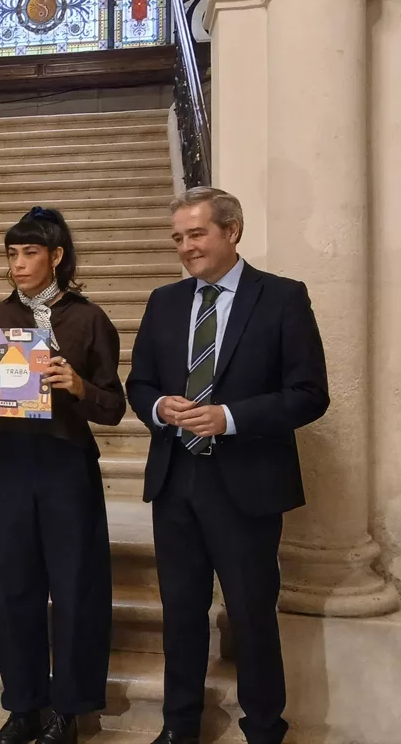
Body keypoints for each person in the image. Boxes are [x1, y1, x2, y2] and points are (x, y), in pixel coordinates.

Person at [126, 187, 330, 744]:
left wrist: (231, 417)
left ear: (231, 230)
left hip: (246, 486)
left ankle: (264, 728)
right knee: (182, 615)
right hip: (175, 482)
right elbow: (137, 384)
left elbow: (310, 394)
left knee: (251, 617)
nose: (186, 248)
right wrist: (158, 407)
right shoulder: (164, 301)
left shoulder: (283, 298)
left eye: (196, 234)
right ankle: (179, 727)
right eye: (178, 238)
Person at [0, 206, 126, 744]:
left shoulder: (89, 319)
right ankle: (24, 705)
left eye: (29, 253)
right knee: (12, 587)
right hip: (11, 463)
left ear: (56, 257)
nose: (18, 264)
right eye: (11, 254)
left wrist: (78, 386)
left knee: (77, 586)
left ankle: (70, 708)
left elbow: (113, 408)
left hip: (66, 465)